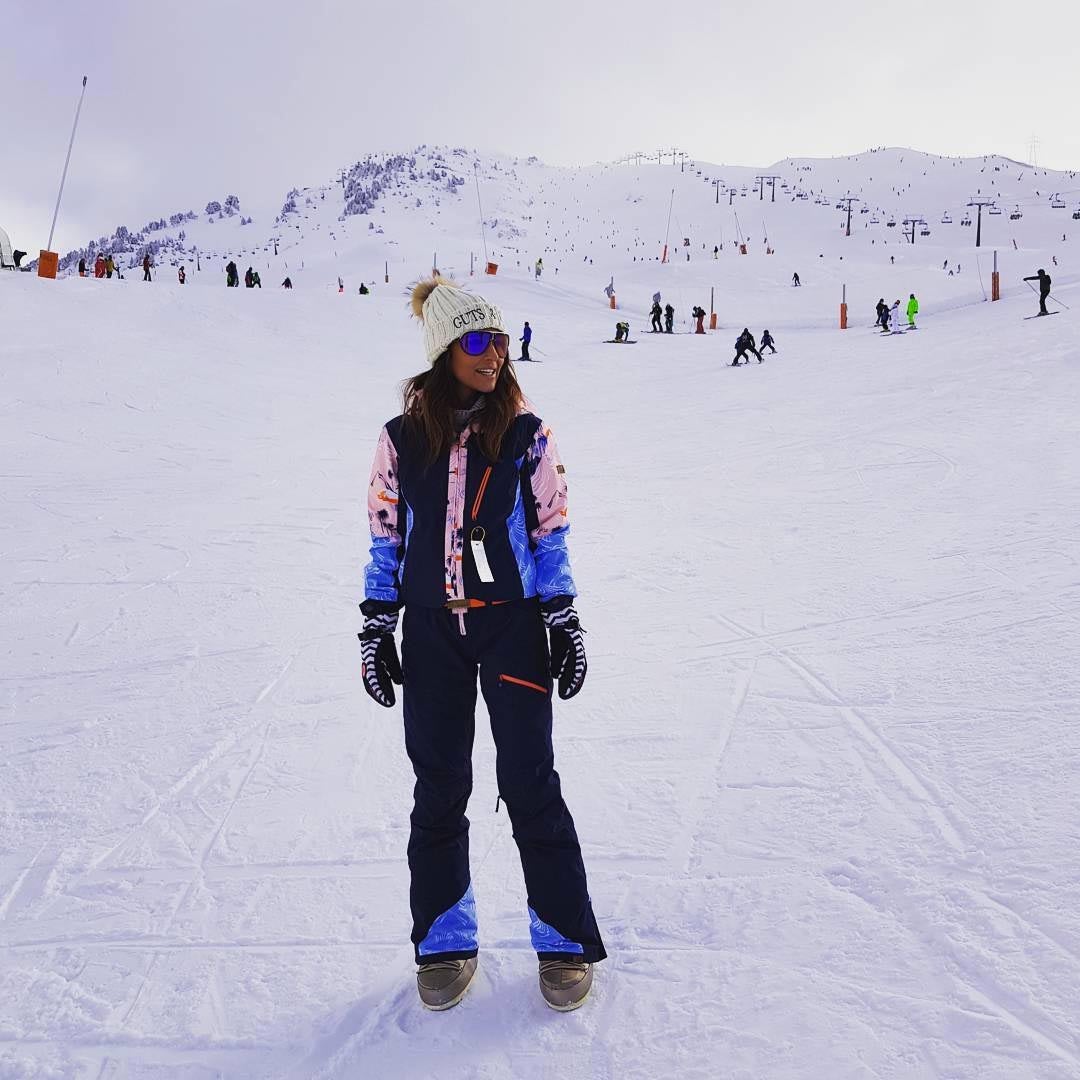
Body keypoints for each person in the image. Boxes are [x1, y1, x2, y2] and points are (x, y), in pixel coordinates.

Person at [360, 275, 606, 1012]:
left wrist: (562, 616)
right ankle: (444, 939)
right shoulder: (400, 440)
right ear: (444, 350)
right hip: (433, 629)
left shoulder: (528, 435)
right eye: (476, 340)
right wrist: (378, 622)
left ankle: (563, 938)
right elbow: (384, 536)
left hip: (511, 626)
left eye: (500, 338)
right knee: (439, 785)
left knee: (530, 780)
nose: (494, 354)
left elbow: (550, 532)